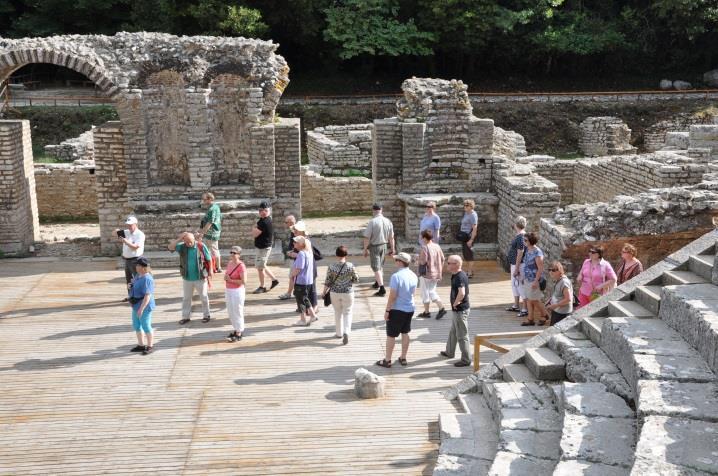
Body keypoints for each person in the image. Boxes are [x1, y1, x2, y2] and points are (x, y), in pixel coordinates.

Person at [376, 252, 418, 368]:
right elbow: (413, 293)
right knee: (405, 332)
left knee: (391, 335)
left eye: (396, 260)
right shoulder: (414, 275)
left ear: (400, 262)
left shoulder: (396, 276)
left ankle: (387, 360)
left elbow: (393, 296)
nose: (395, 262)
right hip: (410, 308)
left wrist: (387, 310)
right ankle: (403, 357)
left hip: (397, 309)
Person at [169, 232, 212, 324]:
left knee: (204, 297)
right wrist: (180, 238)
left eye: (191, 242)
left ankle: (206, 315)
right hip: (187, 277)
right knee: (186, 298)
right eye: (187, 242)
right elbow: (171, 247)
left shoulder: (200, 246)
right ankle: (185, 317)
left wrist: (210, 271)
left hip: (200, 276)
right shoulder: (182, 246)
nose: (189, 244)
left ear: (194, 240)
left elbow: (209, 259)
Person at [321, 245, 359, 345]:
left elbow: (328, 281)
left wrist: (324, 292)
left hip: (334, 292)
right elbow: (356, 279)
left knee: (338, 312)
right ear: (346, 254)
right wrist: (348, 280)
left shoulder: (331, 266)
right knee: (348, 312)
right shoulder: (350, 266)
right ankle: (346, 332)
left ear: (336, 254)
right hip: (348, 292)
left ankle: (339, 333)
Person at [439, 255, 472, 367]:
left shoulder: (459, 277)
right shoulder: (456, 275)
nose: (447, 265)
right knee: (453, 331)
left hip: (460, 310)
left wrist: (456, 303)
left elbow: (462, 293)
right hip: (457, 310)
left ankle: (466, 359)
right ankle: (449, 352)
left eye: (449, 263)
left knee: (462, 335)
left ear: (456, 264)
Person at [363, 203, 395, 297]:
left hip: (375, 247)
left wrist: (365, 249)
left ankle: (382, 288)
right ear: (381, 210)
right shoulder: (388, 221)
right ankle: (377, 282)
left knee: (376, 267)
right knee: (380, 265)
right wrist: (393, 248)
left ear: (373, 210)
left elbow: (366, 237)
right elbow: (391, 237)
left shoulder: (372, 222)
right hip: (384, 246)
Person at [416, 229, 447, 319]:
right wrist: (439, 269)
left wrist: (416, 259)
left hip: (426, 274)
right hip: (436, 273)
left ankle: (435, 310)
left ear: (425, 238)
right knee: (431, 290)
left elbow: (423, 262)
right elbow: (443, 258)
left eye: (422, 237)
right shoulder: (437, 246)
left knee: (426, 292)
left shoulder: (425, 247)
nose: (421, 239)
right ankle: (431, 310)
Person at [128, 256, 155, 355]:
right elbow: (134, 284)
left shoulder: (148, 279)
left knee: (146, 325)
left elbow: (148, 296)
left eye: (138, 265)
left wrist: (141, 309)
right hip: (135, 305)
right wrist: (130, 286)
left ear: (143, 267)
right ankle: (140, 345)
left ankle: (150, 346)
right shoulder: (138, 275)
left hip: (145, 306)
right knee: (136, 325)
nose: (136, 267)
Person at [520, 232, 548, 326]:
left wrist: (536, 281)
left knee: (534, 300)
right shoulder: (527, 250)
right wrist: (523, 277)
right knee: (529, 299)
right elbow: (526, 265)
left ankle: (544, 315)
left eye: (525, 240)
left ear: (531, 241)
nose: (524, 242)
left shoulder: (537, 252)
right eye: (524, 240)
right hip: (528, 279)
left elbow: (540, 268)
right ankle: (530, 319)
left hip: (534, 280)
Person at [252, 201, 279, 294]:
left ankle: (262, 286)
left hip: (264, 248)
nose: (263, 212)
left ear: (269, 211)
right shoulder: (262, 220)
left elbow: (255, 234)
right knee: (261, 266)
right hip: (261, 247)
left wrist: (254, 227)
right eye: (261, 210)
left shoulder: (265, 222)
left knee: (260, 268)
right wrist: (255, 227)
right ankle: (274, 280)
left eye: (265, 210)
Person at [115, 215, 145, 301]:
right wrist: (117, 231)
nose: (129, 226)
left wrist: (126, 241)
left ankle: (139, 296)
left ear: (135, 224)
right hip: (127, 260)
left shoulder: (140, 234)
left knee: (137, 279)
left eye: (131, 225)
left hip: (136, 260)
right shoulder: (127, 232)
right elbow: (114, 233)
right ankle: (131, 295)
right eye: (128, 224)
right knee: (129, 279)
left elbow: (135, 247)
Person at [291, 236, 318, 326]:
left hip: (301, 281)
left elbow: (299, 268)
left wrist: (292, 275)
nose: (294, 243)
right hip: (308, 281)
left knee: (300, 300)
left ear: (301, 244)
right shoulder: (309, 252)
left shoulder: (301, 254)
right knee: (305, 299)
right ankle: (313, 315)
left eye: (295, 242)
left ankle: (303, 320)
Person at [224, 246, 247, 342]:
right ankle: (236, 329)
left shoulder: (241, 266)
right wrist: (226, 277)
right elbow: (227, 274)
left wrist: (231, 280)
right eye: (231, 252)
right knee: (231, 311)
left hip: (237, 291)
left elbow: (244, 281)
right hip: (228, 290)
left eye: (235, 253)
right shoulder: (229, 263)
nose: (232, 255)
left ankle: (239, 332)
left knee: (237, 311)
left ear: (239, 255)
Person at [279, 220, 306, 301]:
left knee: (294, 277)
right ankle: (290, 293)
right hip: (296, 260)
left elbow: (308, 255)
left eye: (295, 230)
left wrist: (296, 255)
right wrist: (291, 252)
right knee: (292, 276)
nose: (294, 232)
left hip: (301, 263)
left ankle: (293, 294)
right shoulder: (298, 237)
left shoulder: (305, 240)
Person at [508, 216, 528, 318]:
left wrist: (516, 268)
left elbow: (520, 252)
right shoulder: (520, 235)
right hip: (515, 264)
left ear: (516, 224)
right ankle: (516, 305)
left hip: (519, 265)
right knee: (514, 284)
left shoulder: (521, 236)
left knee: (520, 285)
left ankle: (525, 308)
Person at [197, 192, 222, 273]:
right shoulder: (215, 207)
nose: (203, 201)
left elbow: (210, 222)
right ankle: (213, 266)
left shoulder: (212, 209)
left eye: (205, 199)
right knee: (211, 249)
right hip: (212, 232)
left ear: (210, 199)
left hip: (212, 233)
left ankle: (218, 267)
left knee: (213, 250)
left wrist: (202, 233)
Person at [545, 261, 573, 326]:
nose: (551, 272)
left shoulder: (564, 282)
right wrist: (550, 300)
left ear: (559, 270)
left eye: (553, 270)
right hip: (557, 311)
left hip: (562, 314)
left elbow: (568, 299)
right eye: (549, 270)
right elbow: (558, 294)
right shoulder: (557, 279)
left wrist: (555, 305)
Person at [459, 199, 478, 278]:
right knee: (466, 254)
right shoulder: (466, 213)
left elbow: (475, 228)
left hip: (469, 237)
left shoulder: (473, 215)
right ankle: (468, 270)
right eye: (464, 205)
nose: (465, 207)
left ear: (471, 206)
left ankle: (470, 272)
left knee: (469, 255)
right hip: (464, 237)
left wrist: (471, 240)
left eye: (466, 206)